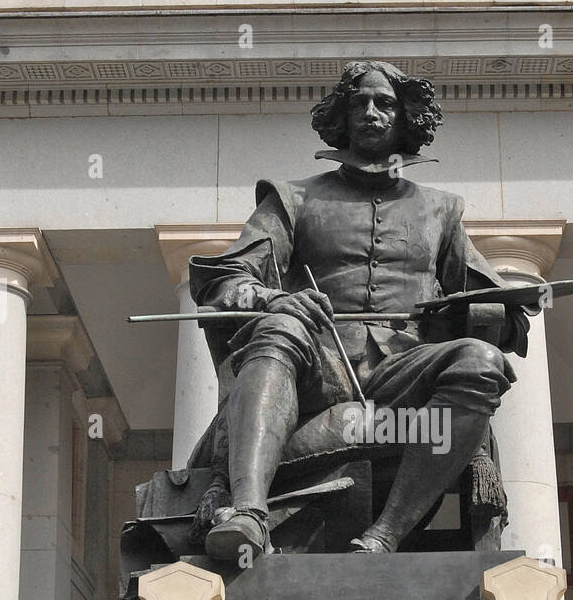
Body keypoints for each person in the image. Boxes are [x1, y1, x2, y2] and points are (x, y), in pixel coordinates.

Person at [189, 60, 530, 559]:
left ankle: (384, 536)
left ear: (406, 117)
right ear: (341, 115)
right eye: (359, 102)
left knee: (479, 360)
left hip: (404, 370)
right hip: (316, 367)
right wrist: (273, 297)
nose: (371, 112)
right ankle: (247, 516)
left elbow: (494, 311)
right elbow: (224, 281)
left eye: (385, 103)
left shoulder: (441, 210)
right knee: (281, 324)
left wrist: (493, 311)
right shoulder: (292, 199)